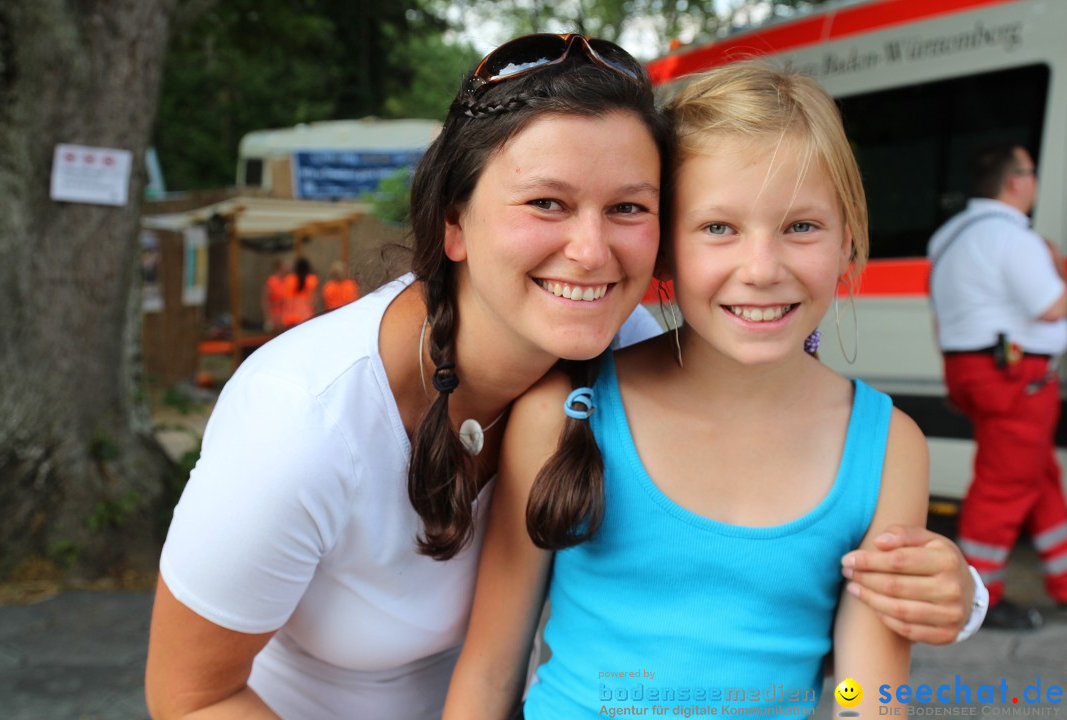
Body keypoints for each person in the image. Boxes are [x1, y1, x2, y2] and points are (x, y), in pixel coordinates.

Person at [145, 35, 980, 720]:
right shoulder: (305, 418)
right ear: (455, 223)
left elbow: (861, 689)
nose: (591, 251)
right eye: (546, 203)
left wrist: (957, 597)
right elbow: (192, 696)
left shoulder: (628, 340)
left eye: (626, 208)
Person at [443, 61, 928, 718]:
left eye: (801, 226)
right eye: (718, 228)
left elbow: (865, 694)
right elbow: (492, 669)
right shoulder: (562, 414)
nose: (761, 269)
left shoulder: (889, 449)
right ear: (664, 250)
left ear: (849, 241)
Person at [928, 143, 1067, 630]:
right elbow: (1051, 306)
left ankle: (1064, 582)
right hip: (1016, 379)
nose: (1035, 180)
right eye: (1031, 172)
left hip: (972, 370)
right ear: (1015, 182)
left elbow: (942, 318)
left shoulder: (948, 236)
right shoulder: (1014, 238)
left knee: (1039, 476)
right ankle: (979, 596)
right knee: (1005, 486)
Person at [279, 256, 319, 328]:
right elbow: (314, 302)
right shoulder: (312, 280)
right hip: (306, 317)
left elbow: (284, 300)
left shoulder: (289, 279)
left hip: (289, 317)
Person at [261, 258, 290, 332]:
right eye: (285, 267)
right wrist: (268, 319)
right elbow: (265, 301)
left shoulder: (287, 281)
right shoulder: (271, 282)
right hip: (274, 317)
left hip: (285, 318)